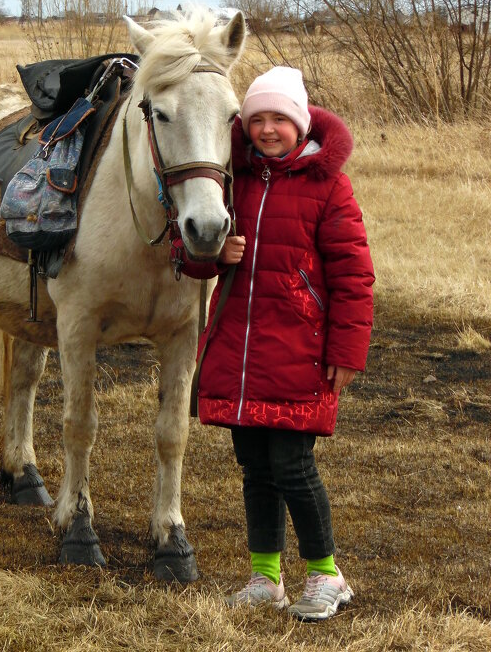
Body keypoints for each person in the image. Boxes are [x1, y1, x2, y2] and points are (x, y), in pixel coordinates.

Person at [173, 66, 374, 621]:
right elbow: (188, 253)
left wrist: (346, 352)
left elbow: (355, 274)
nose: (266, 129)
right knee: (255, 469)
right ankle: (265, 578)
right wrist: (212, 257)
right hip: (239, 348)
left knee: (293, 468)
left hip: (299, 351)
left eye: (279, 119)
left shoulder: (326, 184)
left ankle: (326, 574)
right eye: (256, 118)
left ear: (300, 123)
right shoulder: (231, 178)